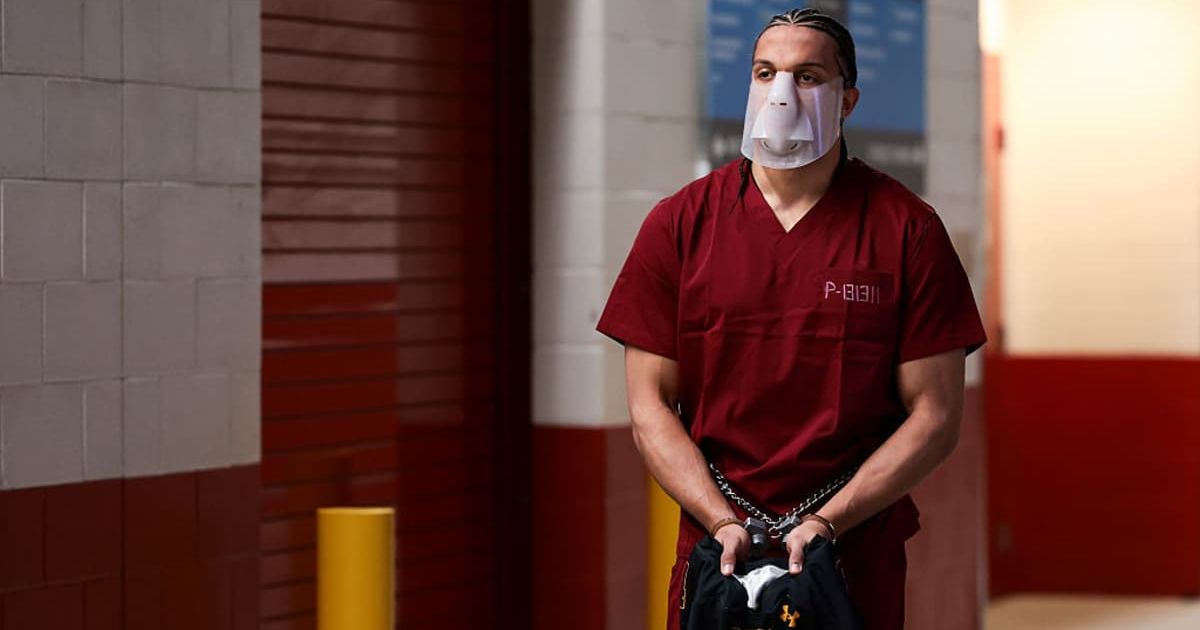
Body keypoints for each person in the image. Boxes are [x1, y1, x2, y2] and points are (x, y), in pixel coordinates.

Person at [595, 8, 986, 629]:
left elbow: (935, 416)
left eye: (807, 76)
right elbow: (648, 406)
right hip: (716, 555)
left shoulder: (906, 229)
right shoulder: (681, 224)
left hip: (851, 551)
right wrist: (721, 518)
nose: (782, 92)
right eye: (765, 72)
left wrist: (828, 520)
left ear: (847, 99)